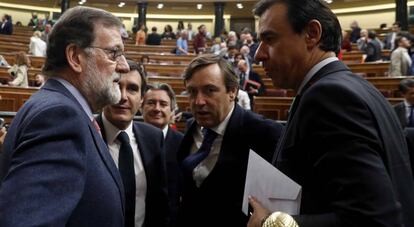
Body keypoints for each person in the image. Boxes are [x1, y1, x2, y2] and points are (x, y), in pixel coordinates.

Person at [249, 1, 414, 227]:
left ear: (312, 34)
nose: (258, 54)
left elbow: (373, 219)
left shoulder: (329, 97)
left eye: (269, 39)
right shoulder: (353, 87)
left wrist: (271, 223)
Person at [0, 6, 130, 226]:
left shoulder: (59, 107)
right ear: (75, 57)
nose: (124, 65)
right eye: (114, 53)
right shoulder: (59, 117)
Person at [177, 54, 283, 227]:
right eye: (192, 91)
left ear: (232, 91)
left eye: (209, 90)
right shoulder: (192, 127)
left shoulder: (266, 134)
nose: (198, 101)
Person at [96, 60, 168, 227]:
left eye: (132, 89)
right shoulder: (85, 133)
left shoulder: (154, 138)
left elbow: (160, 202)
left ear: (142, 99)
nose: (122, 96)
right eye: (116, 85)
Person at [141, 82, 184, 226]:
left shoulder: (184, 143)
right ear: (141, 107)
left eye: (163, 104)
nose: (157, 109)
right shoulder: (127, 140)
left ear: (172, 110)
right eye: (151, 103)